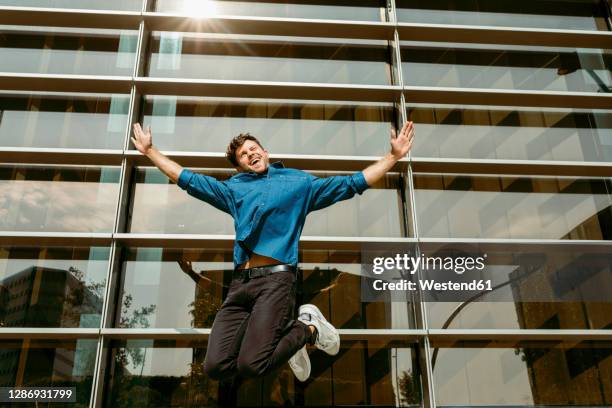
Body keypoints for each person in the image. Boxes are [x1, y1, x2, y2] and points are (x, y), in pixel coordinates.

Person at [131, 121, 415, 384]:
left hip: (275, 281)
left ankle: (308, 329)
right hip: (240, 285)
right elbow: (189, 180)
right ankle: (289, 341)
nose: (250, 154)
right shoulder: (234, 190)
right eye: (243, 154)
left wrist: (392, 157)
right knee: (215, 367)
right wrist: (149, 151)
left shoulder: (298, 184)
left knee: (251, 365)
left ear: (265, 152)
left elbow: (350, 184)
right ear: (239, 165)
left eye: (253, 149)